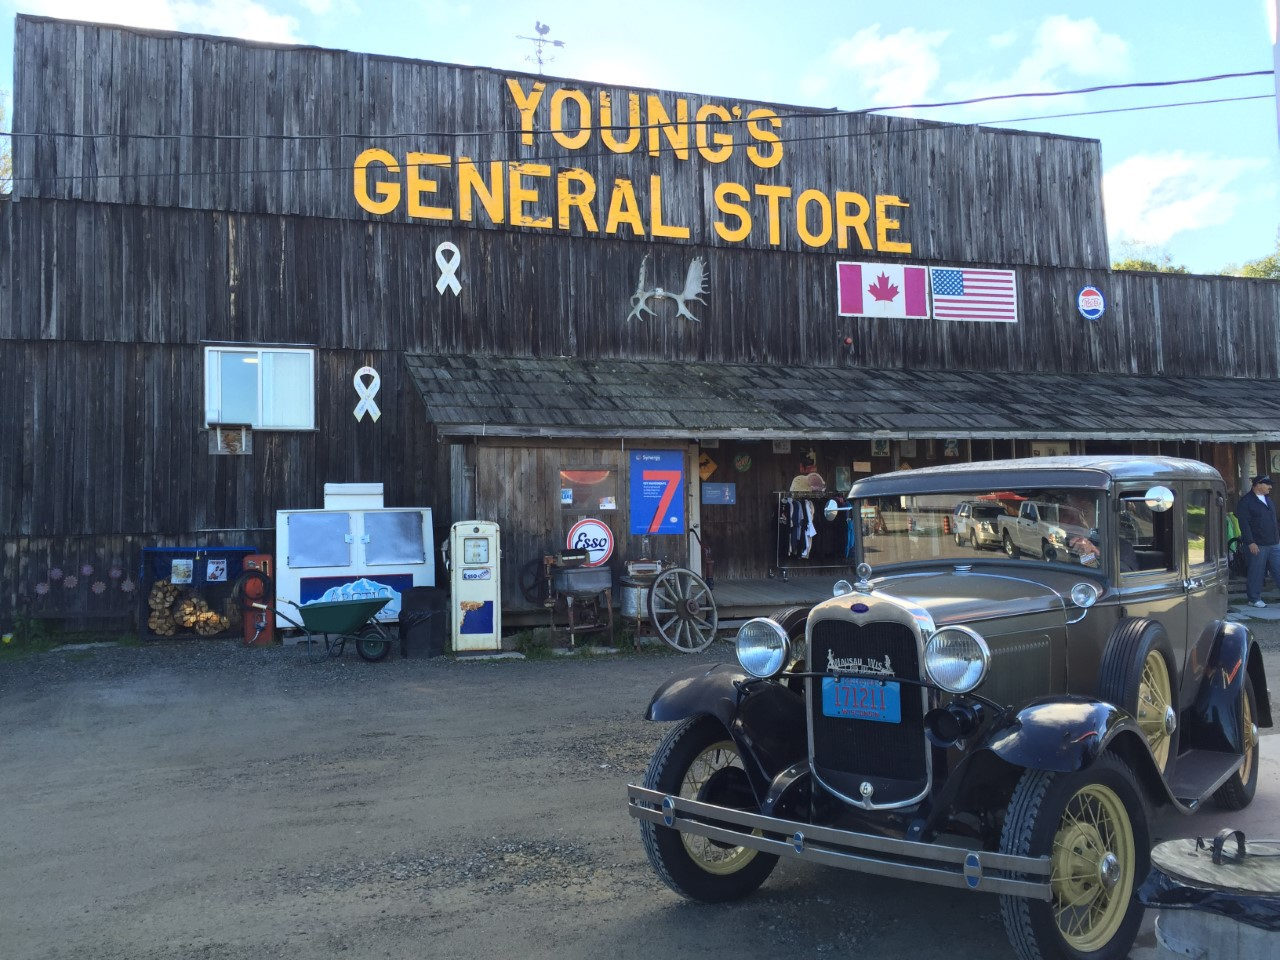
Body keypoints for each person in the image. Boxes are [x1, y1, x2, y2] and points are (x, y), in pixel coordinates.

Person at [1235, 474, 1280, 607]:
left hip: (1274, 543)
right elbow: (1244, 524)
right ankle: (1254, 599)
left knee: (1278, 569)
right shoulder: (1246, 502)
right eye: (1267, 484)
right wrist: (1250, 542)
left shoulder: (1268, 500)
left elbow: (1273, 521)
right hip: (1257, 544)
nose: (1270, 487)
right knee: (1256, 571)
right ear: (1258, 485)